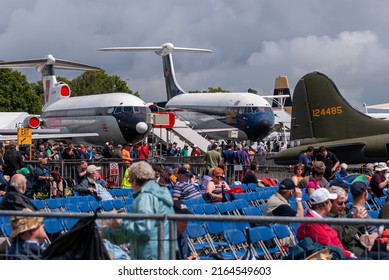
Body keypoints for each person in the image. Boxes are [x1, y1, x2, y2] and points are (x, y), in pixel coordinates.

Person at [103, 161, 175, 260]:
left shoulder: (145, 197)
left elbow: (142, 229)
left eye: (130, 181)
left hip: (149, 255)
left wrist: (115, 228)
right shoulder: (161, 194)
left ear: (134, 180)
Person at [327, 186, 389, 260]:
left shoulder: (343, 214)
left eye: (345, 203)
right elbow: (345, 239)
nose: (344, 206)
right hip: (352, 251)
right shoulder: (328, 220)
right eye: (340, 203)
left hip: (361, 247)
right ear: (330, 203)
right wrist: (356, 222)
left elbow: (361, 231)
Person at [296, 188, 356, 259]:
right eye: (330, 201)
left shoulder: (317, 219)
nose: (331, 203)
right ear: (325, 204)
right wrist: (349, 255)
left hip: (339, 255)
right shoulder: (312, 223)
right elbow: (328, 245)